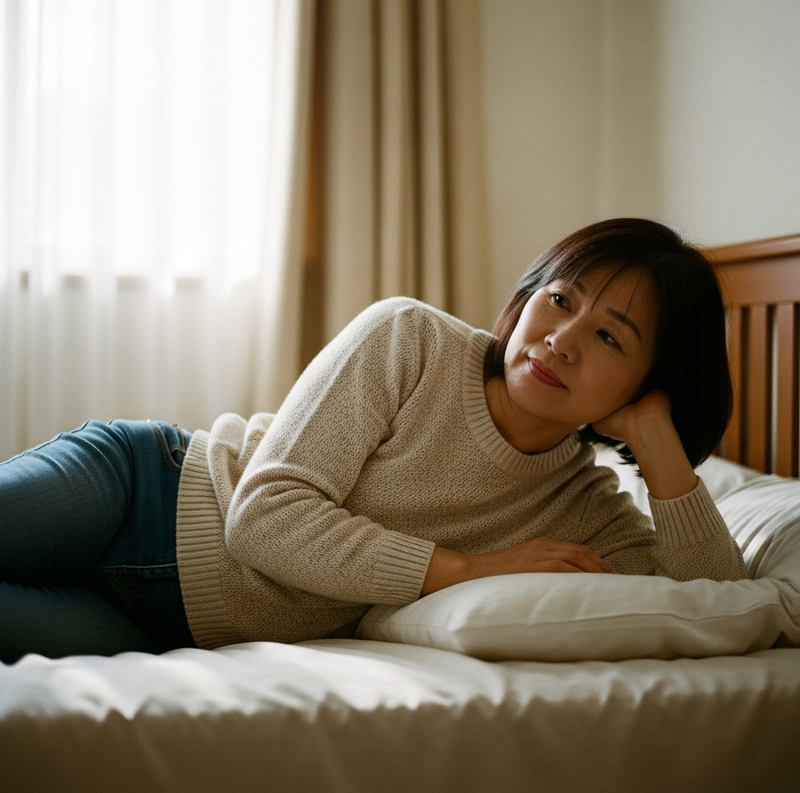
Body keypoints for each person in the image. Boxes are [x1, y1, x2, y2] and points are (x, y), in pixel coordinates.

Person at [0, 218, 747, 663]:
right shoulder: (411, 340)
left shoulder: (584, 508)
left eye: (611, 337)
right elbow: (261, 517)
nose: (561, 339)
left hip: (166, 629)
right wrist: (464, 569)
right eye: (559, 299)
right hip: (143, 489)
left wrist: (656, 437)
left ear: (650, 381)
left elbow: (720, 604)